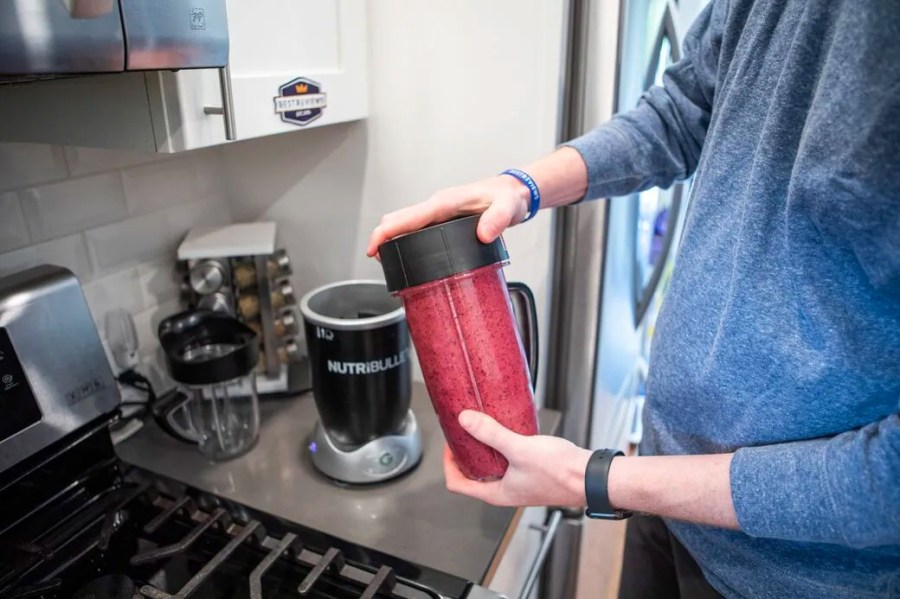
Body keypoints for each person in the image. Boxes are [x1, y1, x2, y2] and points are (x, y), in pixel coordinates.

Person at [367, 1, 900, 597]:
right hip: (664, 499)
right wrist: (522, 187)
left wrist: (592, 479)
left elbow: (888, 480)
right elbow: (684, 110)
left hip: (796, 576)